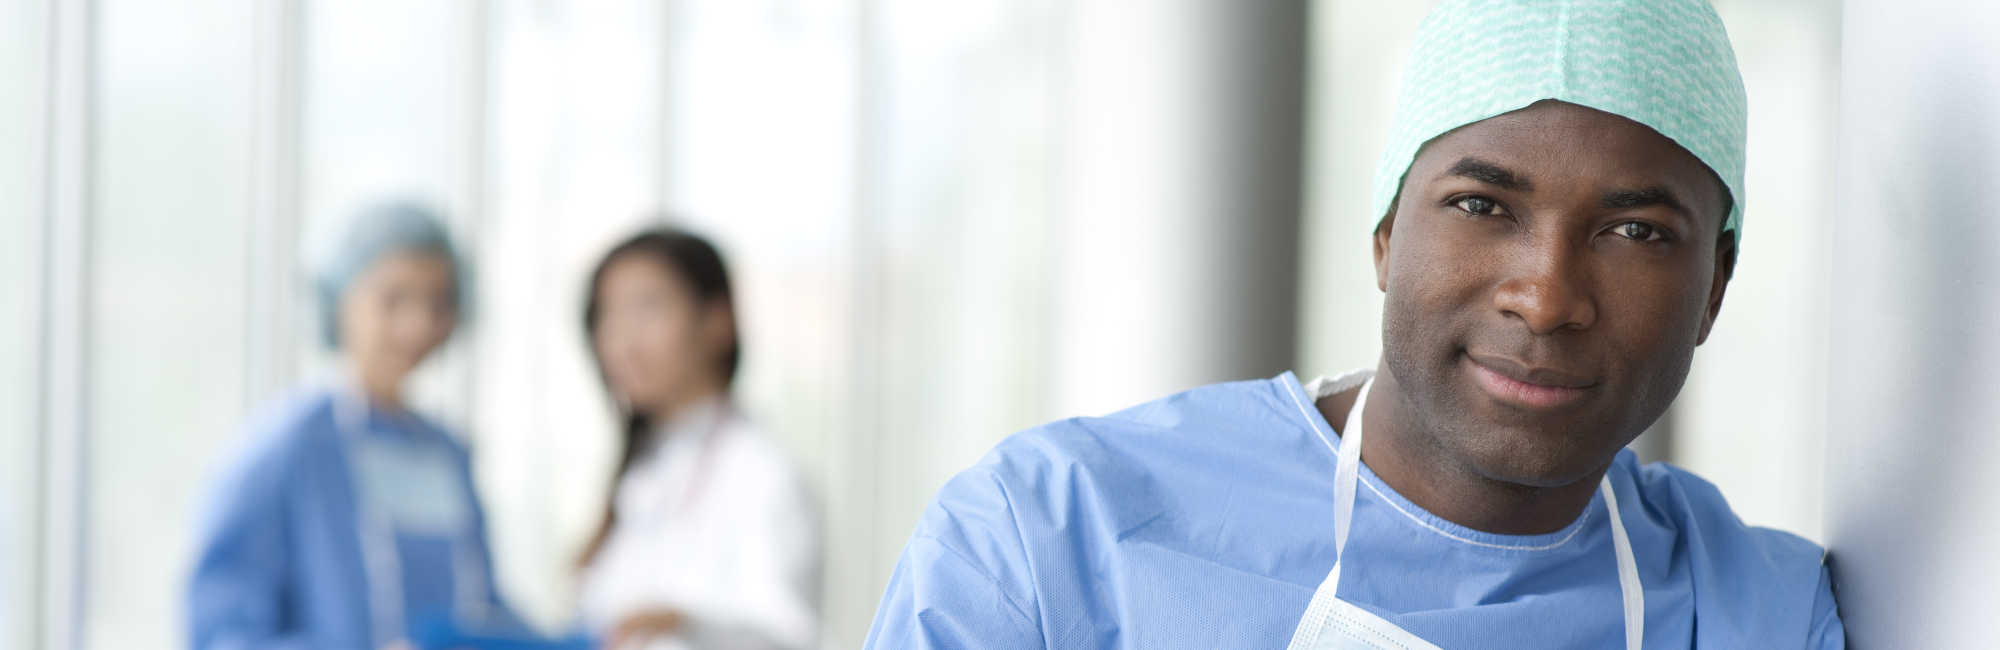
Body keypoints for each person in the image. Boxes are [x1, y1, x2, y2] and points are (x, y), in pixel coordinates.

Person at [864, 0, 1845, 648]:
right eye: (1479, 205)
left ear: (1713, 282)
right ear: (1384, 233)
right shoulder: (1043, 541)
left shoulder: (1757, 612)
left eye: (1634, 229)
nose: (1544, 297)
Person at [188, 201, 524, 649]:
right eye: (394, 299)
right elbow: (221, 634)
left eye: (438, 302)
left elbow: (481, 610)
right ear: (340, 300)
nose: (418, 325)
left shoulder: (448, 452)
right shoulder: (286, 448)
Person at [574, 226, 821, 650]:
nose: (622, 339)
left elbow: (791, 635)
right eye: (606, 315)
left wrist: (686, 623)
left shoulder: (762, 471)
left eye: (647, 309)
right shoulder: (645, 464)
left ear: (717, 321)